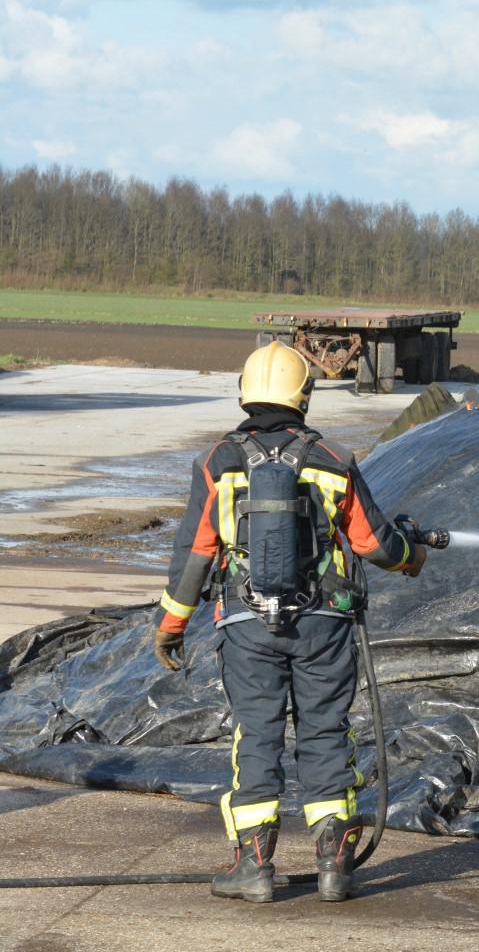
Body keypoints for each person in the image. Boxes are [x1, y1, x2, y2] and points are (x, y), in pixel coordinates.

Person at [153, 340, 428, 904]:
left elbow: (196, 553)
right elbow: (374, 543)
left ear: (246, 392)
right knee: (325, 729)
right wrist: (412, 555)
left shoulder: (218, 462)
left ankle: (254, 866)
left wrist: (171, 623)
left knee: (256, 734)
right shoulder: (331, 457)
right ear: (304, 394)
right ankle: (334, 865)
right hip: (324, 624)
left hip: (246, 626)